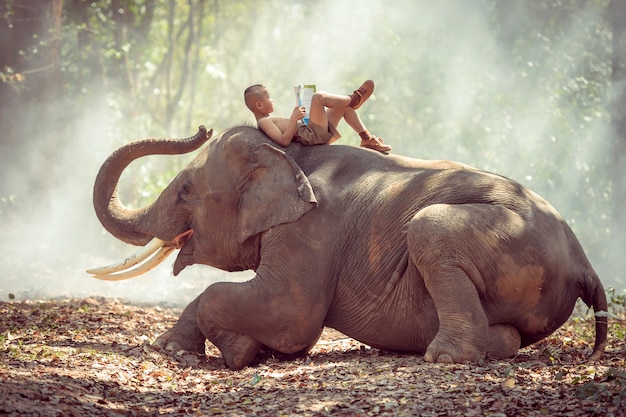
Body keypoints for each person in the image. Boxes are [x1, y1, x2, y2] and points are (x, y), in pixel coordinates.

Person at [244, 80, 392, 154]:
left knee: (343, 108)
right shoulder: (263, 122)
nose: (272, 99)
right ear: (259, 105)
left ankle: (366, 138)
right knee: (318, 97)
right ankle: (354, 99)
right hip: (310, 136)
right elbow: (283, 141)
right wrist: (294, 119)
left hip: (309, 131)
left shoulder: (269, 119)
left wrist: (302, 118)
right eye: (268, 97)